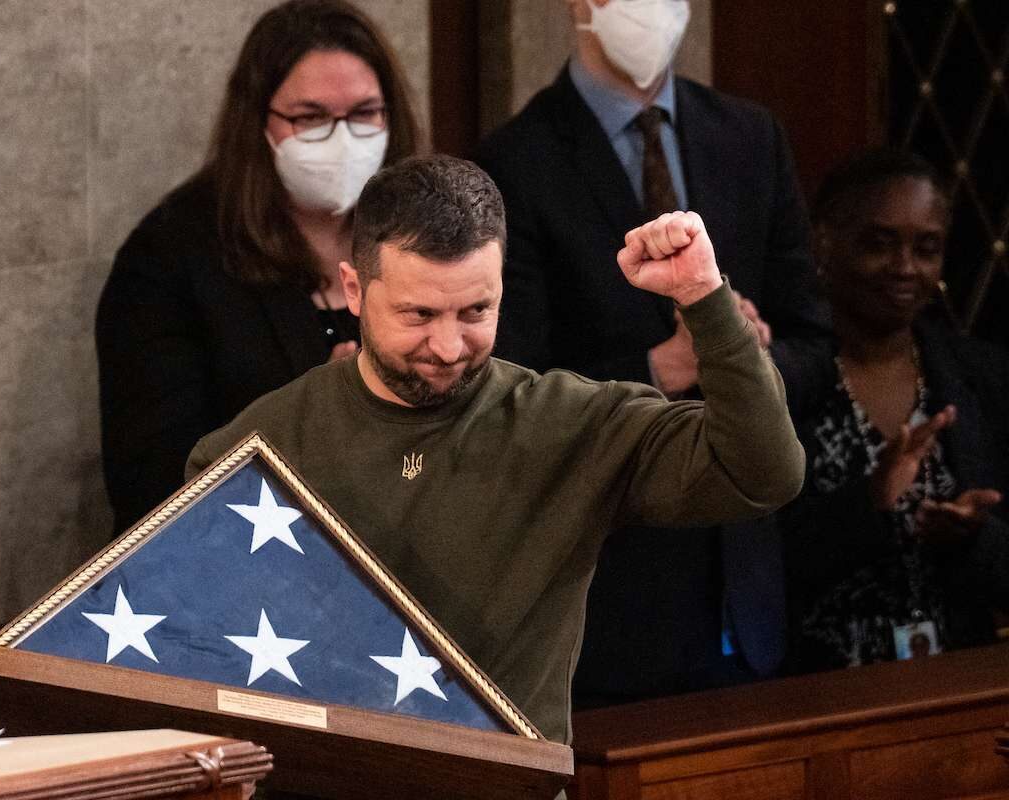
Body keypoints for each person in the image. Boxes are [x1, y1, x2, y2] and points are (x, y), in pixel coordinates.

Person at [186, 154, 805, 744]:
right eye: (419, 314)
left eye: (476, 310)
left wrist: (704, 297)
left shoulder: (569, 422)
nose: (449, 346)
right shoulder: (251, 450)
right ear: (354, 289)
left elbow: (762, 472)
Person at [475, 0, 833, 703]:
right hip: (612, 589)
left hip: (752, 581)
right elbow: (507, 386)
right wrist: (657, 369)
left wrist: (750, 359)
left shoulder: (748, 136)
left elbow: (817, 346)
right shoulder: (515, 160)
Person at [96, 0, 421, 535]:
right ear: (258, 123)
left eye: (364, 113)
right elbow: (150, 483)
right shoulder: (169, 260)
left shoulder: (426, 231)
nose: (342, 139)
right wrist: (320, 418)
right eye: (311, 117)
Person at [782, 148, 1009, 672]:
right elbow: (756, 571)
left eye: (926, 248)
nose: (905, 268)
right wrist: (869, 504)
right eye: (879, 244)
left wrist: (974, 536)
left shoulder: (980, 377)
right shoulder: (783, 380)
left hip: (958, 687)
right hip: (813, 699)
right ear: (825, 242)